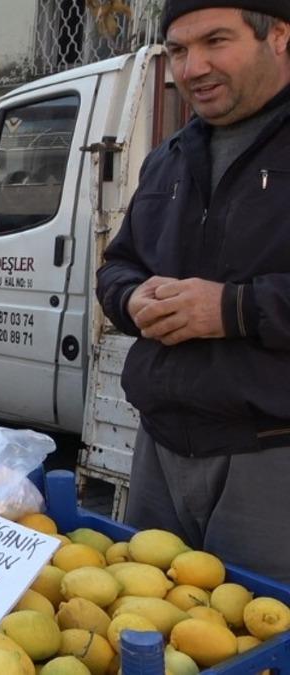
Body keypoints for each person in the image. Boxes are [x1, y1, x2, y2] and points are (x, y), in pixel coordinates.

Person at [96, 2, 290, 582]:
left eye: (216, 41)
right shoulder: (171, 157)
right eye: (178, 50)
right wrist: (131, 300)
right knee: (150, 629)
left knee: (262, 642)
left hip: (271, 455)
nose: (193, 66)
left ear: (279, 35)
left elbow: (227, 305)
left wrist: (231, 309)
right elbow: (119, 266)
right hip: (159, 448)